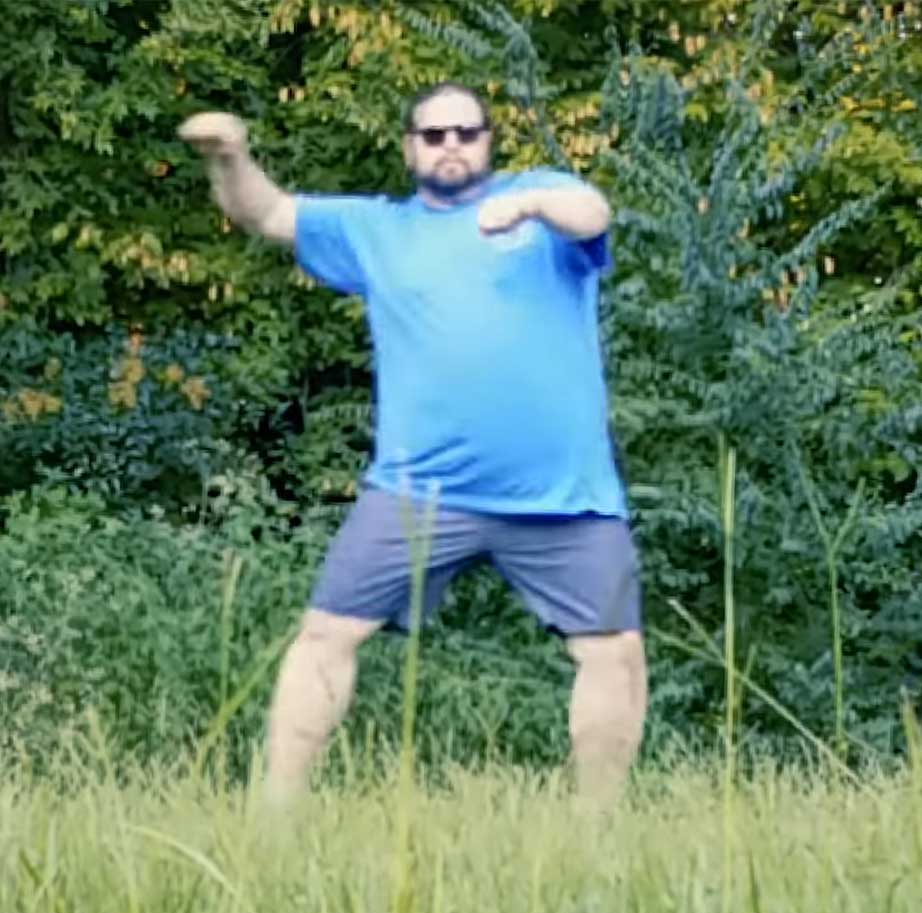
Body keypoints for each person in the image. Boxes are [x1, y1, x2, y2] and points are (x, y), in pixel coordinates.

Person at [178, 82, 647, 809]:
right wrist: (229, 155)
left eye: (466, 132)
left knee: (615, 654)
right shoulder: (377, 230)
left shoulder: (542, 202)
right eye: (433, 135)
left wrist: (527, 206)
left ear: (488, 141)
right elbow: (264, 213)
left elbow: (594, 213)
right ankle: (275, 821)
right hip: (416, 493)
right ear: (410, 148)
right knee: (325, 636)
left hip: (564, 495)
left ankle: (599, 832)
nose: (451, 144)